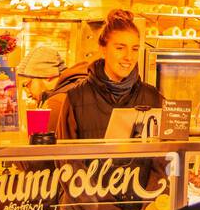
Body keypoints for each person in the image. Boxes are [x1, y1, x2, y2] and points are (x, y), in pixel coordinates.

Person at [56, 9, 160, 139]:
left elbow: (164, 155)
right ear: (103, 49)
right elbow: (65, 156)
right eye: (120, 48)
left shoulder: (152, 97)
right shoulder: (76, 98)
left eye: (134, 49)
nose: (128, 57)